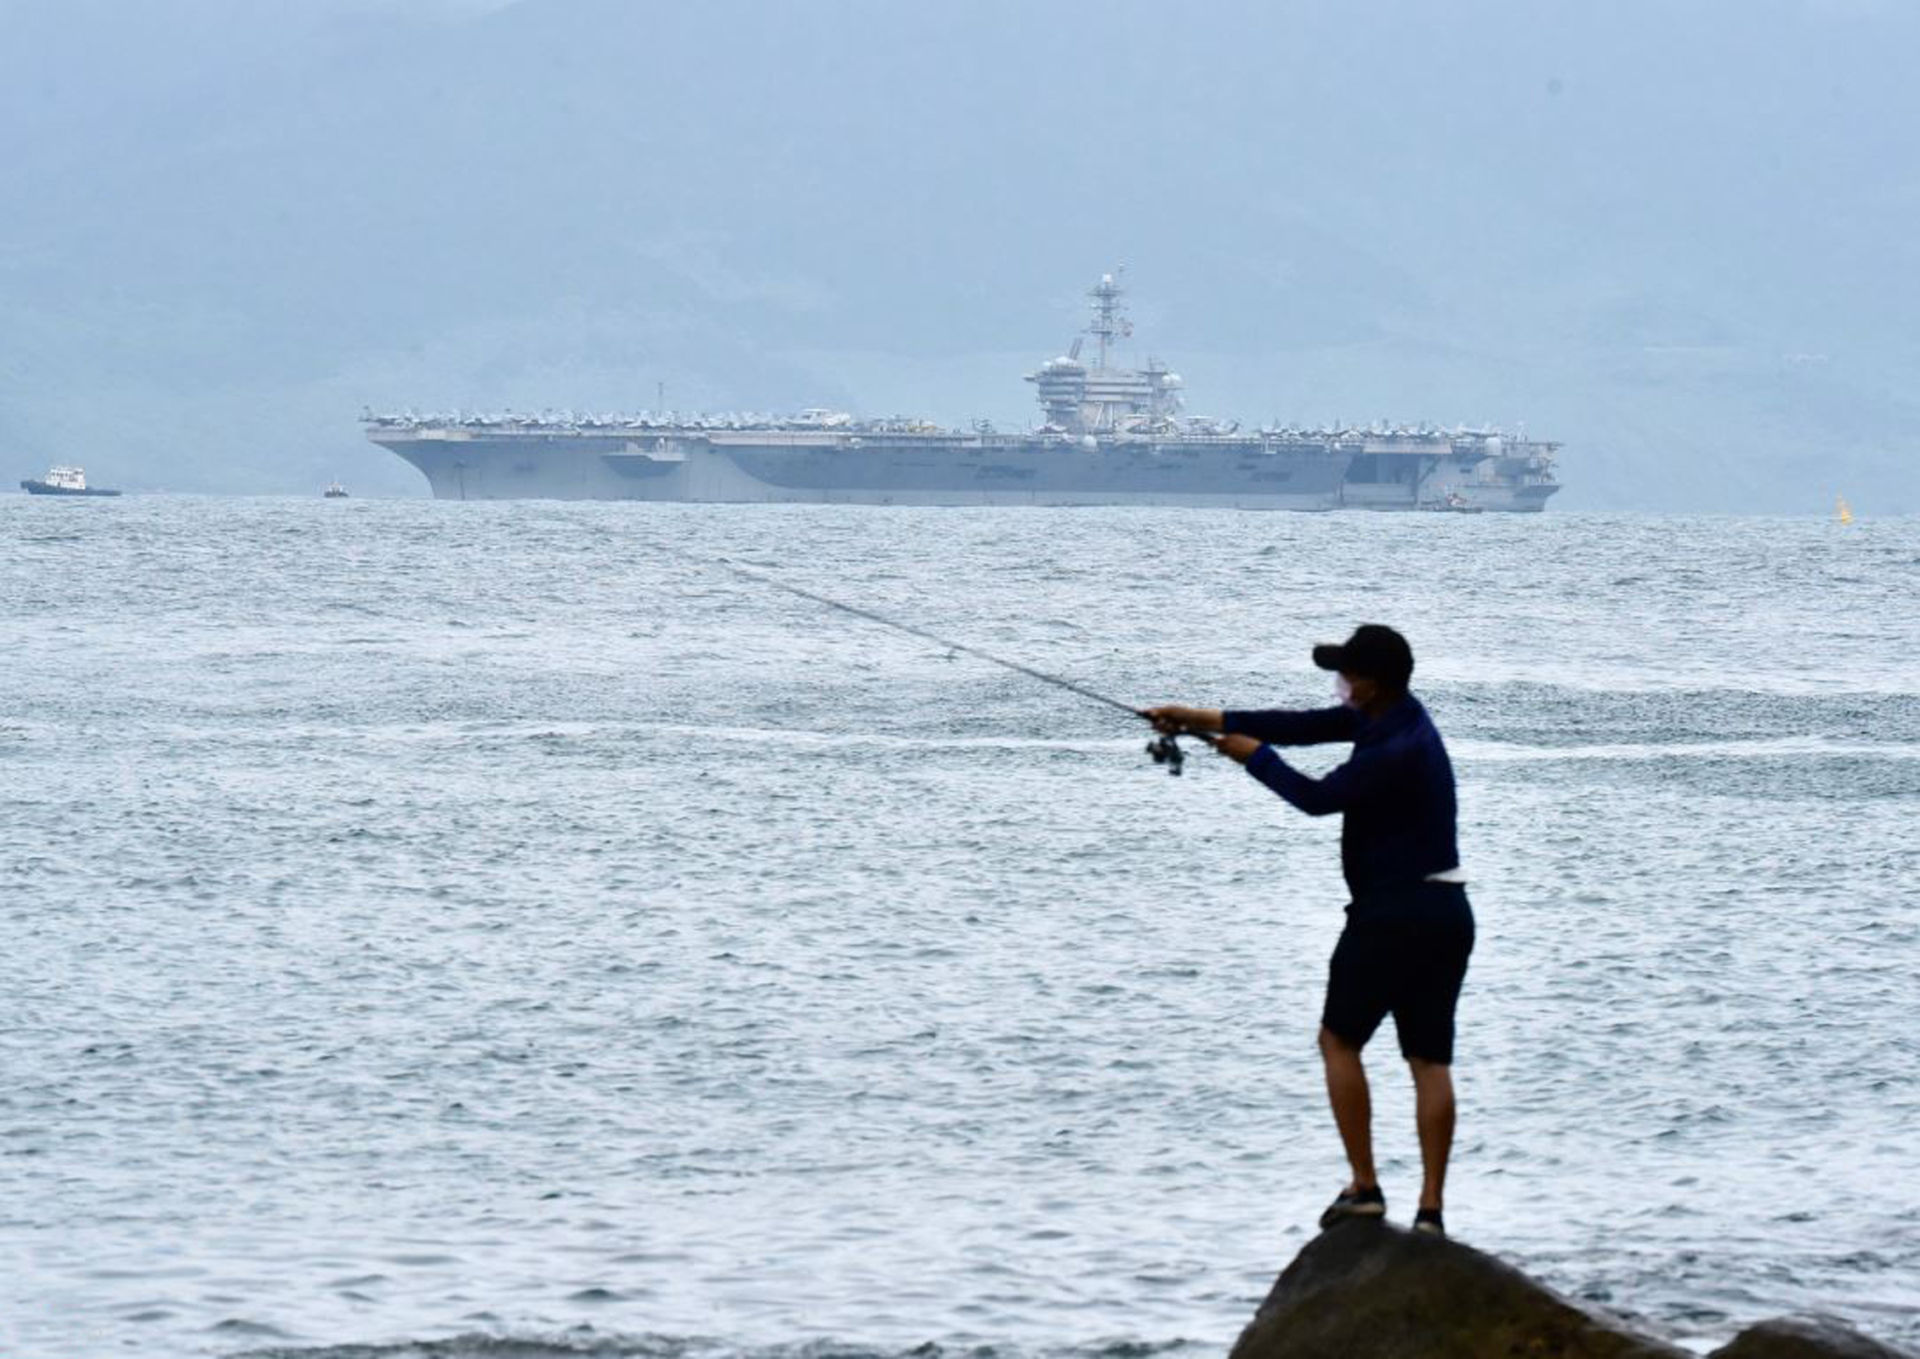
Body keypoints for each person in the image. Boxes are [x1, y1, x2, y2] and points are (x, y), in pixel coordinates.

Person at [1143, 624, 1473, 1238]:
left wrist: (1253, 758)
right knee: (1429, 1060)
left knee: (1338, 1041)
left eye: (1346, 674)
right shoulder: (1401, 717)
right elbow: (1303, 723)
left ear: (1370, 684)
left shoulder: (1389, 752)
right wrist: (1196, 718)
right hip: (1448, 910)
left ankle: (1366, 1187)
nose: (1339, 684)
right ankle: (1431, 1212)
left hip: (1391, 913)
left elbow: (1317, 798)